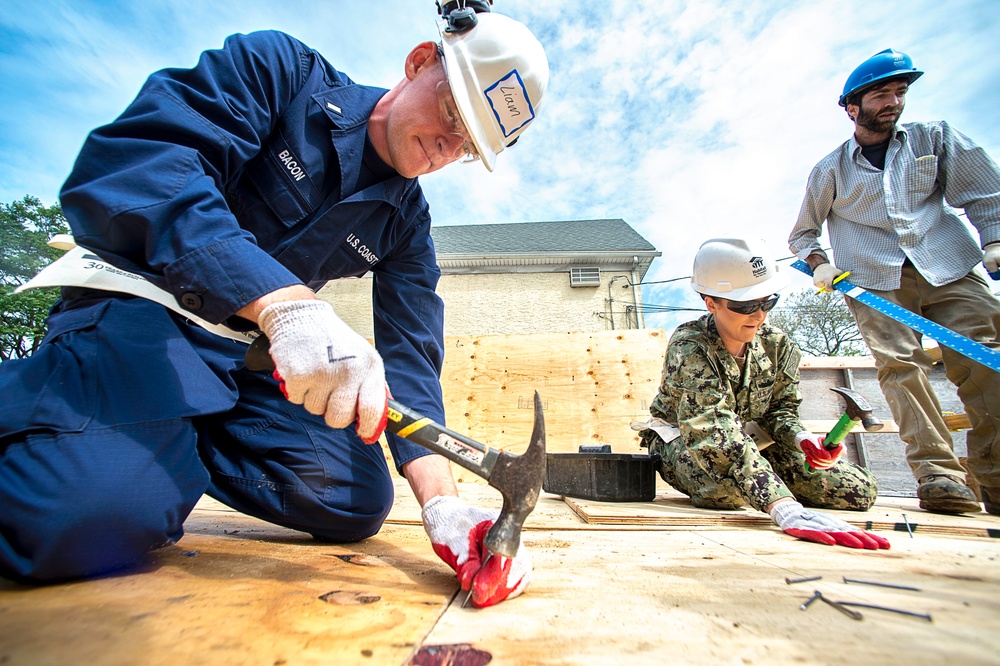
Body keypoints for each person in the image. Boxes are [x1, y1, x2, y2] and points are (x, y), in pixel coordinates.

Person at [0, 4, 548, 608]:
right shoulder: (281, 72)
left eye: (469, 148)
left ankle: (158, 435)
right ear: (420, 61)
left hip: (238, 367)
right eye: (455, 114)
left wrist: (441, 502)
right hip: (145, 319)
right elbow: (142, 164)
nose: (447, 149)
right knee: (86, 517)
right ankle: (66, 419)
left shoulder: (407, 225)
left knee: (354, 498)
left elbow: (412, 356)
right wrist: (284, 304)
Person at [788, 48, 1000, 516]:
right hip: (873, 282)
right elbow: (802, 234)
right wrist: (819, 262)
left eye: (899, 92)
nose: (893, 101)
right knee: (901, 367)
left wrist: (996, 240)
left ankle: (996, 477)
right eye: (881, 93)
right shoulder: (830, 170)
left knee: (985, 360)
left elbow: (987, 195)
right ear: (852, 107)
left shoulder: (935, 139)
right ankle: (938, 474)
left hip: (947, 265)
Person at [638, 237, 890, 550]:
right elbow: (714, 433)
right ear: (711, 302)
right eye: (744, 305)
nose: (758, 315)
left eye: (766, 302)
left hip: (752, 443)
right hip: (686, 442)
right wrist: (783, 507)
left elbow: (780, 412)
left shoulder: (777, 345)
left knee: (857, 491)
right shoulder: (689, 346)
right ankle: (766, 486)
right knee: (723, 491)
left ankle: (763, 481)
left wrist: (802, 439)